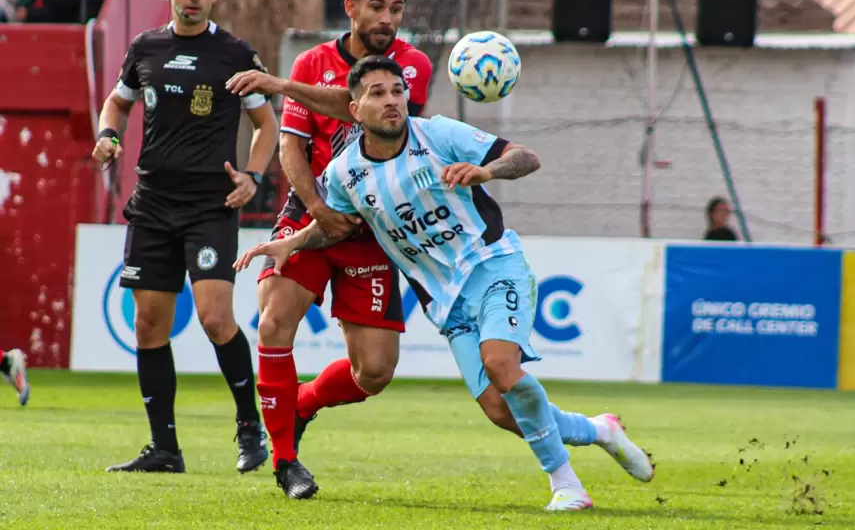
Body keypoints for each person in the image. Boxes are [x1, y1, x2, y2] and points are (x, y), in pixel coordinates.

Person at [232, 56, 655, 510]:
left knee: (500, 363)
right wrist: (290, 244)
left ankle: (566, 485)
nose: (392, 100)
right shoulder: (344, 173)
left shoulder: (437, 134)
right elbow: (336, 226)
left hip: (493, 266)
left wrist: (487, 171)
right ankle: (600, 430)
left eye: (397, 91)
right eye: (377, 93)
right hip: (446, 303)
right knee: (499, 408)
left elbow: (525, 157)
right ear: (353, 110)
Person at [248, 0, 433, 499]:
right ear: (350, 7)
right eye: (376, 6)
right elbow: (290, 145)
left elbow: (367, 113)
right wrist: (316, 209)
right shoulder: (312, 61)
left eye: (396, 9)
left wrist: (282, 84)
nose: (387, 19)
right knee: (273, 323)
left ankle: (300, 405)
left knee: (373, 373)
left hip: (373, 234)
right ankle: (285, 462)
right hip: (309, 218)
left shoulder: (412, 65)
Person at [91, 0, 278, 474]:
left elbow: (268, 126)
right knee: (149, 325)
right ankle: (165, 449)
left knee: (216, 317)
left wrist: (253, 176)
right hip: (152, 203)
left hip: (209, 205)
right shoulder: (145, 47)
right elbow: (117, 103)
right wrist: (107, 135)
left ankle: (249, 428)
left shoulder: (235, 54)